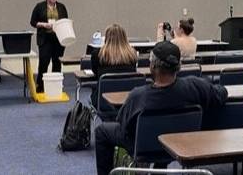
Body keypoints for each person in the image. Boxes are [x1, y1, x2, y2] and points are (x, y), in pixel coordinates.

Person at [94, 41, 228, 175]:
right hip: (181, 145)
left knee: (102, 131)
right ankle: (160, 168)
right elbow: (221, 93)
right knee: (168, 126)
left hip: (143, 146)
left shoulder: (138, 96)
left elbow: (123, 124)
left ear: (152, 66)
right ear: (179, 66)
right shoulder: (195, 86)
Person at [30, 0, 68, 93]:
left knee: (57, 62)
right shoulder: (39, 6)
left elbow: (65, 21)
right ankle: (41, 86)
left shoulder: (61, 7)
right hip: (45, 39)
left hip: (58, 39)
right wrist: (43, 24)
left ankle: (56, 86)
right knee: (44, 63)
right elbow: (33, 22)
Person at [90, 24, 138, 105]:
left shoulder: (97, 54)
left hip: (103, 101)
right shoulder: (132, 54)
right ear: (124, 38)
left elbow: (95, 73)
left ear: (107, 38)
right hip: (129, 101)